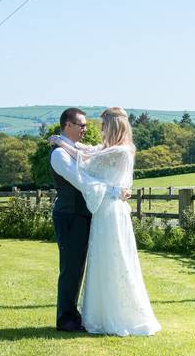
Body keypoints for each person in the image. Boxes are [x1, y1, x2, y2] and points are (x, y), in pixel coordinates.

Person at [49, 107, 161, 336]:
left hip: (104, 212)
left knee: (110, 261)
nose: (88, 130)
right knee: (77, 267)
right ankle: (69, 318)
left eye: (99, 126)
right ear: (68, 125)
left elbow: (87, 159)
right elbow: (83, 176)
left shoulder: (118, 151)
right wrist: (114, 190)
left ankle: (108, 314)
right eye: (82, 125)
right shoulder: (60, 154)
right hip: (76, 213)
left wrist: (62, 142)